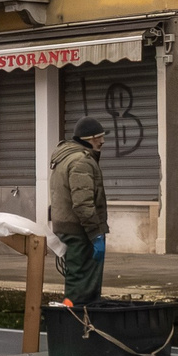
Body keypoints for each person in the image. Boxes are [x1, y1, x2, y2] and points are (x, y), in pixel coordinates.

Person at [48, 117, 109, 306]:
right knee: (83, 284)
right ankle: (78, 324)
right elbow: (82, 203)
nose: (102, 141)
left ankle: (76, 319)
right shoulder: (81, 161)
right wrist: (95, 233)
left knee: (76, 277)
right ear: (88, 138)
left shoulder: (64, 157)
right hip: (80, 231)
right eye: (98, 137)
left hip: (67, 228)